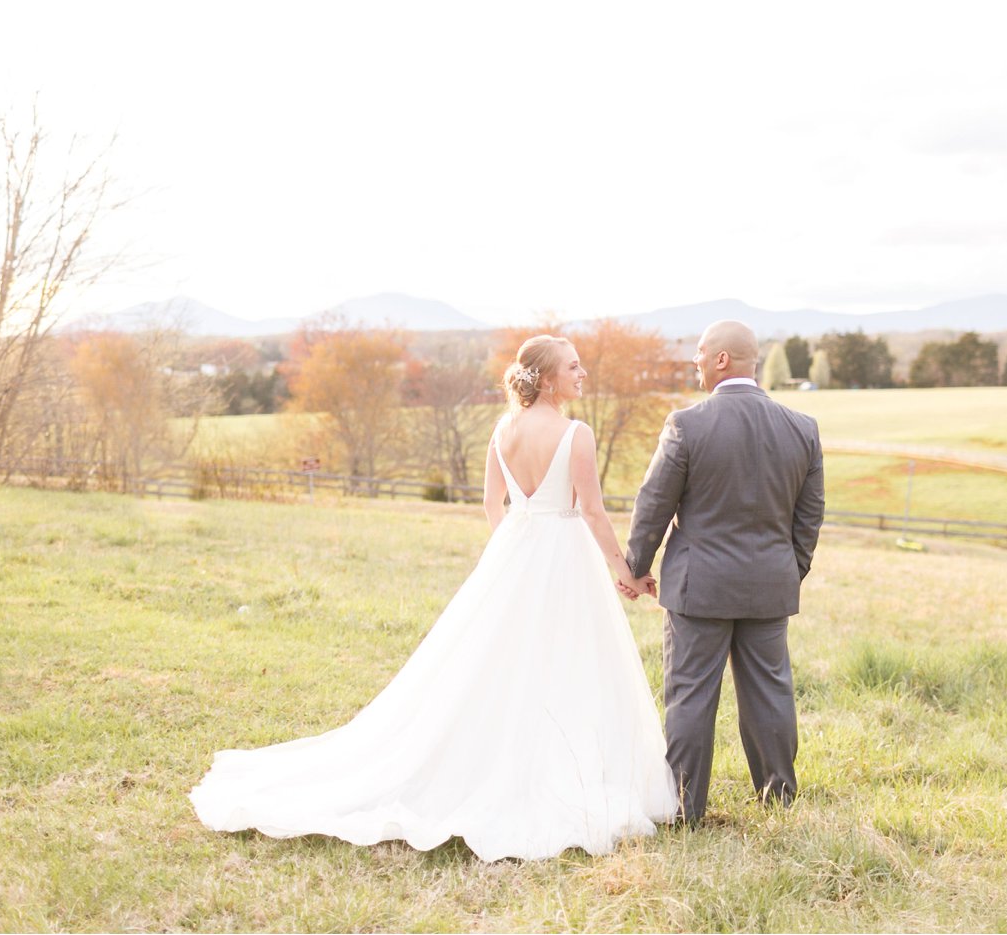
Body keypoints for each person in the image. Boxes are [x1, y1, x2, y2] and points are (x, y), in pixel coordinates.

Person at [189, 335, 677, 862]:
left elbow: (495, 505)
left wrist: (514, 554)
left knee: (501, 665)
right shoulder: (576, 434)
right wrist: (624, 571)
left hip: (516, 552)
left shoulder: (502, 429)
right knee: (570, 659)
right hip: (565, 556)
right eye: (573, 367)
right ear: (549, 378)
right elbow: (592, 514)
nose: (582, 374)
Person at [621, 320, 824, 825]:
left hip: (699, 587)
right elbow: (809, 517)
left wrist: (636, 568)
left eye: (699, 352)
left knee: (690, 694)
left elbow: (653, 506)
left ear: (721, 360)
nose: (694, 360)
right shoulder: (803, 428)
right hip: (769, 587)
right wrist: (785, 571)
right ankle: (778, 802)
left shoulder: (686, 425)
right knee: (770, 692)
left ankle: (686, 808)